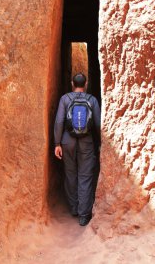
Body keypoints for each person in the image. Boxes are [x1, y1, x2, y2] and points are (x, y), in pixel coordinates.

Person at [54, 73, 101, 226]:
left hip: (67, 141)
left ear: (71, 83)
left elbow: (59, 121)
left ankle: (74, 208)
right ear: (86, 83)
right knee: (85, 176)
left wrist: (57, 144)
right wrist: (100, 143)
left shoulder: (65, 99)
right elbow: (98, 124)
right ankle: (83, 214)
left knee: (70, 174)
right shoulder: (92, 100)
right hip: (86, 142)